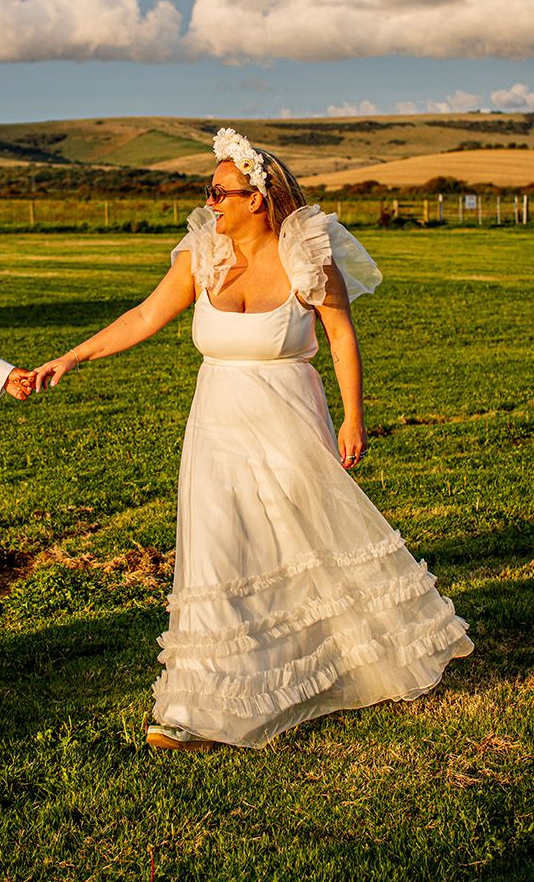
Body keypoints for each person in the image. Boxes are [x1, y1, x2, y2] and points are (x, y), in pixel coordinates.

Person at [31, 128, 474, 752]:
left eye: (221, 191)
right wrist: (68, 359)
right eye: (210, 191)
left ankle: (325, 662)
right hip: (216, 422)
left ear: (258, 199)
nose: (210, 202)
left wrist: (353, 418)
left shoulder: (306, 259)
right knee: (217, 547)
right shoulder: (200, 256)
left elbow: (342, 338)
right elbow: (144, 316)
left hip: (291, 416)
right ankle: (198, 707)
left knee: (300, 546)